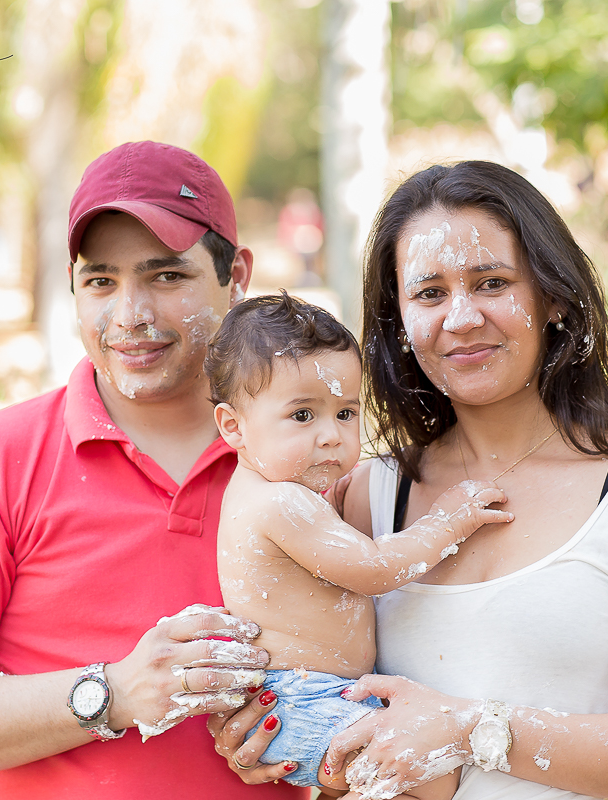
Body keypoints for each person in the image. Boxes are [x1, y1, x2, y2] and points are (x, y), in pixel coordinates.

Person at [211, 161, 608, 800]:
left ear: (552, 297)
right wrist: (273, 733)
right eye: (429, 294)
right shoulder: (366, 492)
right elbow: (338, 723)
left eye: (491, 282)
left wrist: (472, 729)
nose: (460, 318)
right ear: (400, 322)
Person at [0, 141, 304, 799]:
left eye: (166, 277)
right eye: (101, 281)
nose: (130, 316)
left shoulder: (309, 457)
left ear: (236, 274)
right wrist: (110, 694)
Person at [205, 292, 512, 796]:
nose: (331, 436)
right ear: (233, 426)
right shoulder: (281, 502)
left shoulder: (277, 493)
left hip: (309, 698)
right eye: (303, 415)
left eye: (346, 413)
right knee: (442, 778)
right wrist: (447, 522)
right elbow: (373, 569)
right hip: (302, 699)